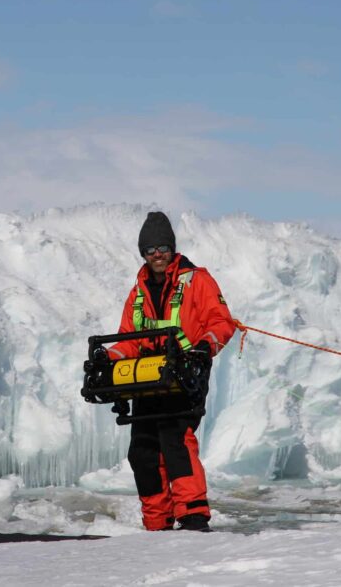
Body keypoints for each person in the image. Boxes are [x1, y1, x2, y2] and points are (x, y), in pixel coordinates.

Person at [106, 211, 236, 532]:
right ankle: (157, 523)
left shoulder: (197, 281)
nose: (157, 255)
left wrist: (205, 348)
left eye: (163, 247)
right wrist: (109, 359)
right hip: (149, 379)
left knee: (175, 440)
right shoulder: (137, 292)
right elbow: (128, 340)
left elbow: (221, 323)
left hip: (185, 376)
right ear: (143, 254)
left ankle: (193, 516)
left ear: (172, 248)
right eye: (150, 250)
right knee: (142, 450)